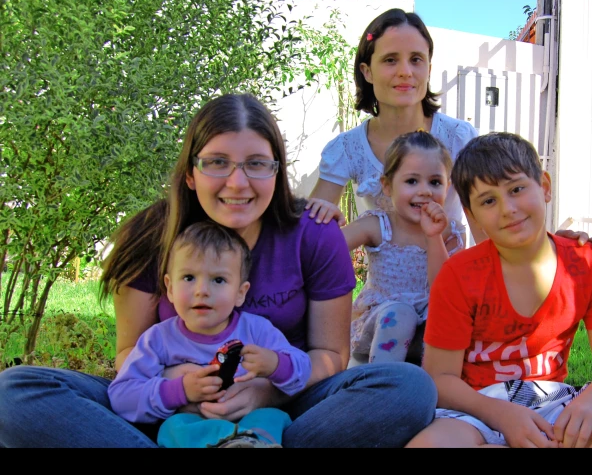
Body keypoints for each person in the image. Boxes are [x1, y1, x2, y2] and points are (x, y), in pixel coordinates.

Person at [0, 93, 437, 448]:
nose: (237, 181)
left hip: (283, 411)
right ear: (191, 173)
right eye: (217, 162)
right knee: (15, 393)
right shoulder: (151, 235)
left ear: (276, 171)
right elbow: (128, 359)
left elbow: (330, 358)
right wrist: (184, 387)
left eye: (256, 163)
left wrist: (266, 391)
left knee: (408, 387)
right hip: (165, 412)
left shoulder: (314, 234)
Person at [406, 132, 592, 448]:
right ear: (472, 214)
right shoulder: (459, 275)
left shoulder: (588, 264)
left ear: (545, 187)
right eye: (488, 201)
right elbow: (441, 380)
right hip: (477, 412)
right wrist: (502, 415)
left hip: (556, 407)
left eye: (517, 189)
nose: (508, 208)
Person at [305, 7, 592, 251]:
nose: (405, 71)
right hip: (389, 301)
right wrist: (324, 222)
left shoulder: (458, 138)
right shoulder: (348, 148)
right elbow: (306, 232)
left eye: (416, 59)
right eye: (390, 60)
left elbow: (493, 220)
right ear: (367, 71)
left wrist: (554, 248)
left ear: (429, 68)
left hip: (457, 290)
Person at [108, 220, 311, 448]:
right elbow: (121, 396)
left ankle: (247, 443)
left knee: (273, 417)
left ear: (240, 293)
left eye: (218, 280)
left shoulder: (256, 330)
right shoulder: (159, 339)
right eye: (189, 278)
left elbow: (303, 370)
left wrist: (275, 364)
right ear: (170, 288)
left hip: (252, 421)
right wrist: (180, 390)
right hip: (194, 426)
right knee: (173, 428)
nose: (202, 291)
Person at [344, 130, 462, 365]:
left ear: (447, 186)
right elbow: (325, 249)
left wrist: (433, 237)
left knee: (451, 317)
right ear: (387, 186)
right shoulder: (378, 226)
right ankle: (381, 387)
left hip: (426, 333)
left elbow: (444, 290)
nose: (425, 190)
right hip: (381, 328)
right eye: (411, 181)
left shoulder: (450, 233)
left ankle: (436, 389)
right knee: (401, 314)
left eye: (435, 182)